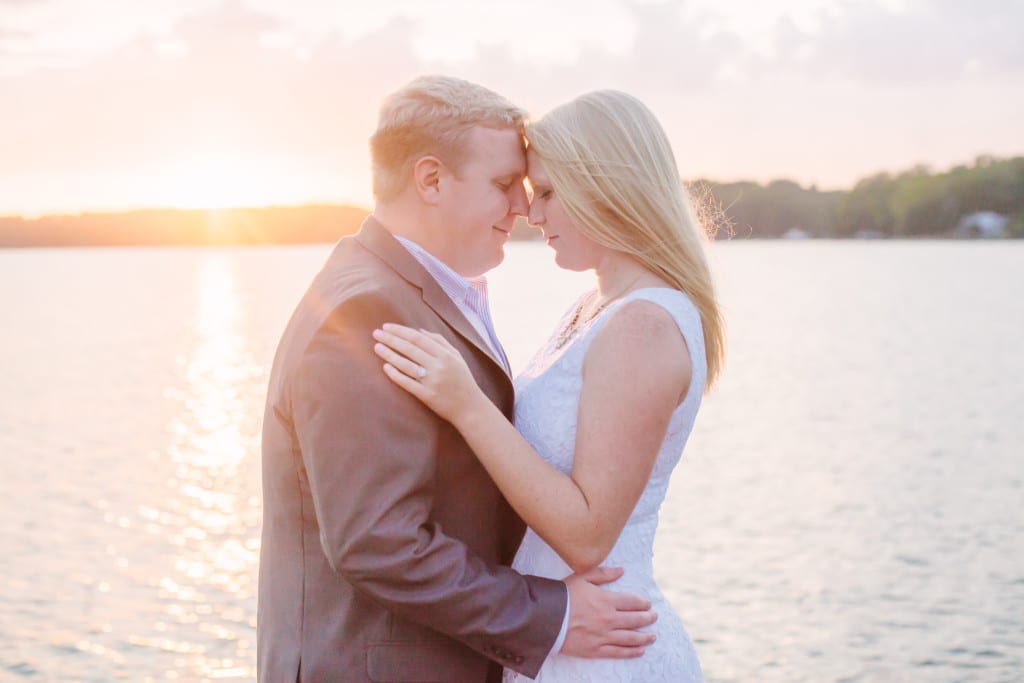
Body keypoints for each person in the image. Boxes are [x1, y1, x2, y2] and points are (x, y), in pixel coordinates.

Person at [257, 76, 658, 683]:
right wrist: (552, 615)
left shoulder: (414, 291)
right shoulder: (365, 311)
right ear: (431, 180)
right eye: (504, 186)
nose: (523, 209)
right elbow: (378, 542)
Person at [372, 89, 725, 682]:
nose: (533, 217)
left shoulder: (643, 324)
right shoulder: (595, 307)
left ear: (608, 187)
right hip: (565, 643)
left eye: (551, 194)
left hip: (608, 653)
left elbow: (588, 534)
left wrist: (466, 404)